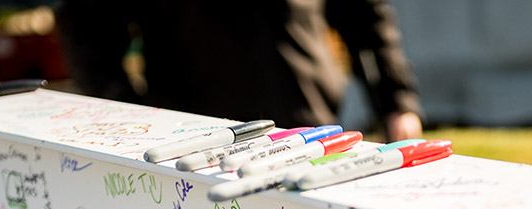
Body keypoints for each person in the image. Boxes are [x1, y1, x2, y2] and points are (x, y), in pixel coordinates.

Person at [54, 0, 424, 142]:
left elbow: (365, 16)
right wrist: (129, 115)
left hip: (308, 130)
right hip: (196, 146)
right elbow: (85, 25)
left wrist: (397, 102)